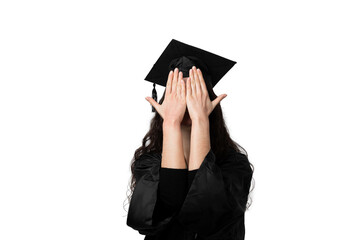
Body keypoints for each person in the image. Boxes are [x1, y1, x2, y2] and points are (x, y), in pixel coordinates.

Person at [126, 39, 254, 240]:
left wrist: (200, 120)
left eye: (194, 90)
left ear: (208, 98)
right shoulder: (147, 162)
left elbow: (205, 212)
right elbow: (163, 210)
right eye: (177, 91)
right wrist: (170, 123)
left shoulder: (235, 164)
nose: (186, 99)